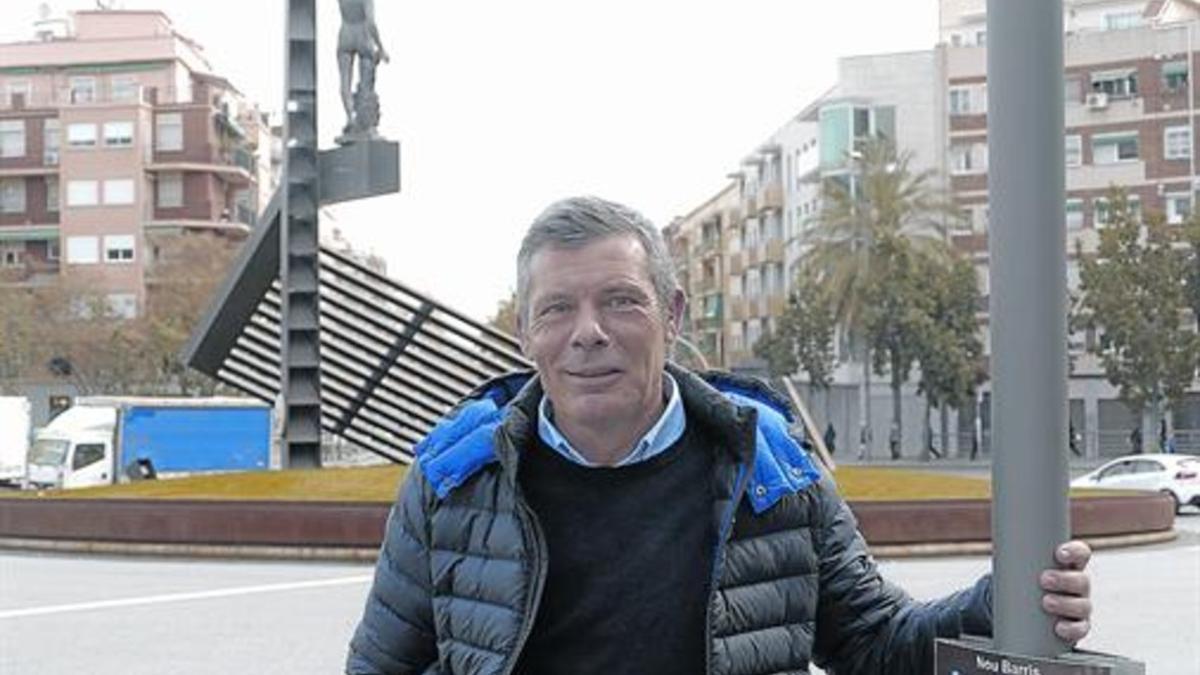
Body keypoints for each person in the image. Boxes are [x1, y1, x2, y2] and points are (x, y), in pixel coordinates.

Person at [346, 197, 1093, 674]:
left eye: (620, 301)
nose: (589, 334)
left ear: (672, 316)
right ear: (524, 336)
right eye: (557, 309)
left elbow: (871, 643)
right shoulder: (456, 482)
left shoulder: (768, 472)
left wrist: (1005, 605)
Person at [336, 0, 389, 143]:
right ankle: (366, 125)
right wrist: (381, 48)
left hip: (345, 34)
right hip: (363, 36)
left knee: (344, 82)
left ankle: (350, 118)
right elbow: (371, 23)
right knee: (367, 84)